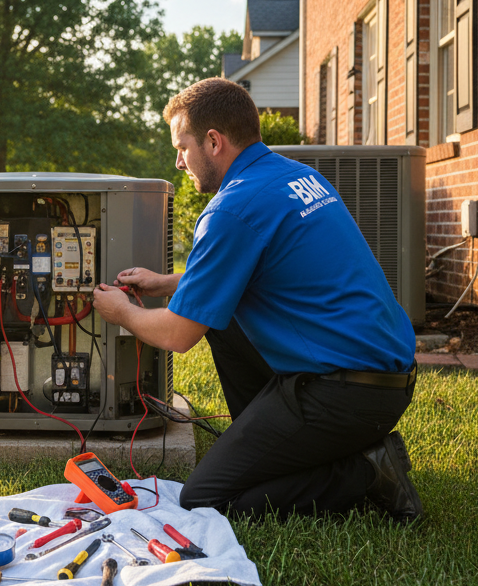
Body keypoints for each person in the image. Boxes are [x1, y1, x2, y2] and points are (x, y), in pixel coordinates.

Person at [91, 78, 423, 523]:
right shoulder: (293, 175)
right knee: (223, 321)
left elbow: (177, 334)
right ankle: (273, 443)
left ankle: (364, 471)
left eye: (182, 147)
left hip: (344, 393)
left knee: (209, 499)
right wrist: (168, 282)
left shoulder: (232, 208)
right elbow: (254, 268)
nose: (179, 161)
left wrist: (123, 312)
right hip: (384, 377)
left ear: (213, 142)